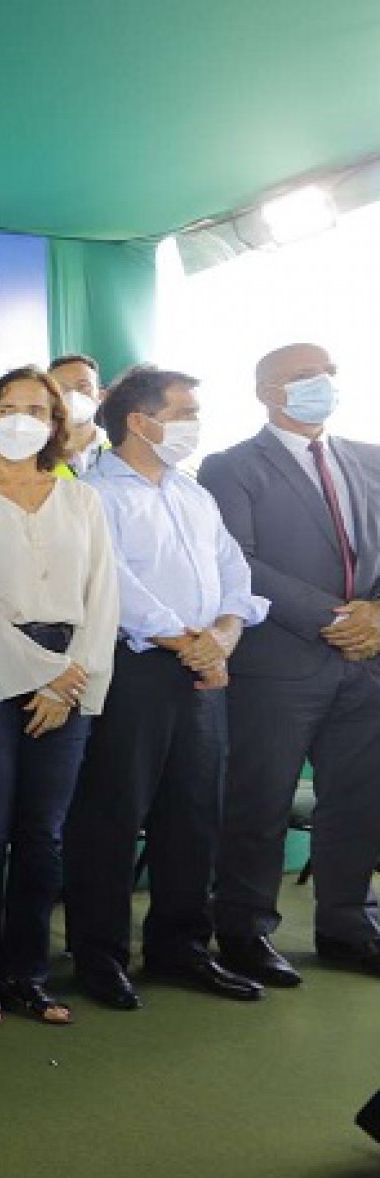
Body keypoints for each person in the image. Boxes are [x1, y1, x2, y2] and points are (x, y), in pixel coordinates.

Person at [62, 367, 268, 1008]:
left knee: (194, 815)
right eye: (183, 412)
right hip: (136, 669)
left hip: (207, 667)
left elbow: (235, 570)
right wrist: (189, 642)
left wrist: (225, 636)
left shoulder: (192, 493)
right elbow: (112, 584)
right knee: (112, 816)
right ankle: (99, 956)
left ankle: (181, 947)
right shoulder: (93, 493)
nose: (193, 424)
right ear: (140, 421)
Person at [0, 366, 118, 1027]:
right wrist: (43, 674)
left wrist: (72, 679)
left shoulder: (82, 500)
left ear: (56, 424)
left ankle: (28, 974)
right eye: (8, 406)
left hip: (69, 673)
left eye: (37, 409)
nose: (22, 418)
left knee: (43, 835)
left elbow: (104, 598)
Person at [198, 343, 380, 985]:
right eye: (306, 376)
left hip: (366, 664)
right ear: (266, 391)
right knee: (260, 800)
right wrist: (337, 618)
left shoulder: (370, 459)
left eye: (329, 372)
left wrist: (376, 616)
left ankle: (348, 924)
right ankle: (244, 930)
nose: (323, 383)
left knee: (359, 800)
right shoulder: (230, 467)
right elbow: (238, 562)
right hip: (278, 665)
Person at [48, 354, 104, 476]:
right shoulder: (37, 454)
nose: (73, 395)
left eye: (83, 387)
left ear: (100, 395)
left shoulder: (120, 448)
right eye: (61, 388)